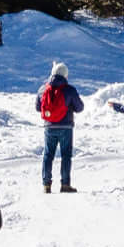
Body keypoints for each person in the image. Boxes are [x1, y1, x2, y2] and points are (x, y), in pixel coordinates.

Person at [36, 61, 84, 193]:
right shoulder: (69, 90)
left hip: (49, 127)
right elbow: (80, 107)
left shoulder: (42, 89)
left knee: (48, 155)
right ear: (65, 75)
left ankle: (46, 185)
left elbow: (37, 107)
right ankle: (65, 184)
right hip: (66, 127)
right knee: (66, 155)